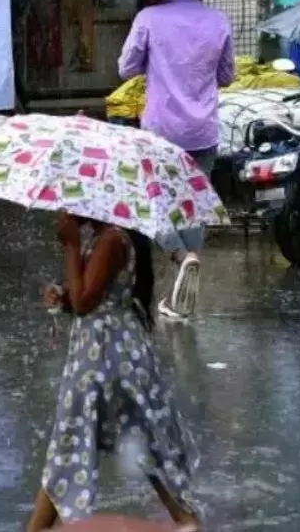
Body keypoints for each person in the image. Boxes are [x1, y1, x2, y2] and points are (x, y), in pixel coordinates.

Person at [27, 212, 199, 531]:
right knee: (131, 448)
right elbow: (92, 296)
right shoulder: (108, 236)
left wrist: (71, 248)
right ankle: (188, 521)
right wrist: (62, 298)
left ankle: (188, 521)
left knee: (70, 446)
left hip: (102, 361)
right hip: (113, 357)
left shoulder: (111, 239)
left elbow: (85, 303)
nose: (63, 212)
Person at [118, 0, 234, 319]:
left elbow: (125, 69)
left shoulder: (149, 18)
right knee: (192, 208)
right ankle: (182, 295)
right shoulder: (219, 20)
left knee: (151, 202)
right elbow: (227, 76)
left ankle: (182, 257)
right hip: (203, 132)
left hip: (160, 132)